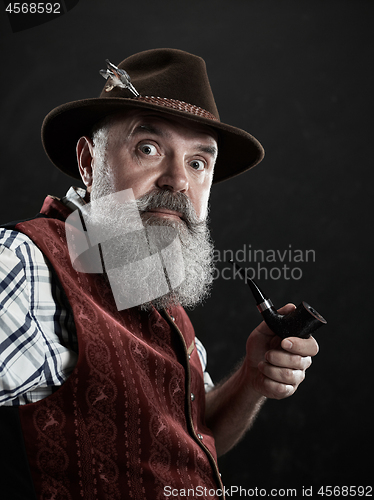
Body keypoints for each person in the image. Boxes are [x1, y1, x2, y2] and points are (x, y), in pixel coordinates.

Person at [0, 49, 319, 499]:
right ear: (89, 163)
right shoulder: (25, 264)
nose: (177, 181)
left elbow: (187, 440)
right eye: (148, 148)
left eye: (197, 162)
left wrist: (251, 378)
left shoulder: (151, 285)